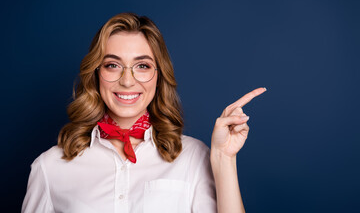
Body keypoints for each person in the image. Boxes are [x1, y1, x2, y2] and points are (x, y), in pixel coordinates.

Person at [22, 13, 266, 213]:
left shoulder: (193, 157)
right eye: (112, 65)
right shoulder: (49, 167)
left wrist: (224, 158)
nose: (127, 81)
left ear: (159, 76)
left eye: (142, 66)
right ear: (96, 75)